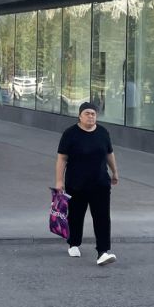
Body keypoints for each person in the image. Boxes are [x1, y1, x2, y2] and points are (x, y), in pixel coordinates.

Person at [54, 100, 119, 266]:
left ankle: (103, 252)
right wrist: (59, 181)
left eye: (93, 114)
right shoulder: (70, 134)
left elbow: (109, 153)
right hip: (76, 183)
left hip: (100, 182)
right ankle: (74, 243)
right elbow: (62, 158)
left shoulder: (103, 132)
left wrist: (115, 172)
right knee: (76, 215)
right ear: (80, 116)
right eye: (87, 113)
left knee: (102, 217)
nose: (90, 116)